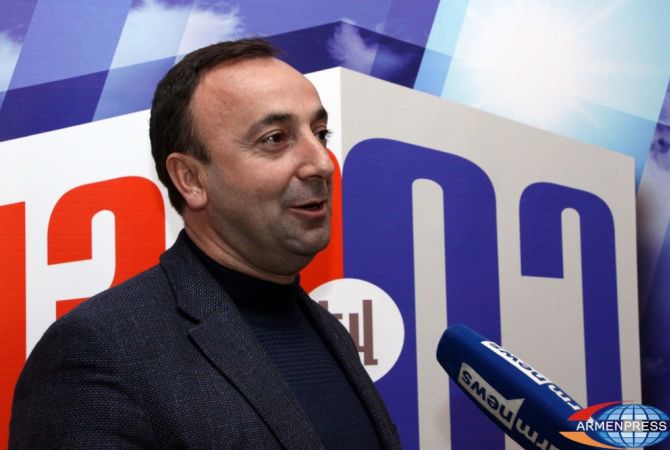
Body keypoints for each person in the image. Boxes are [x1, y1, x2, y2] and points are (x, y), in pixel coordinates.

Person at [9, 38, 401, 449]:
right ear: (191, 179)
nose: (321, 162)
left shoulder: (330, 333)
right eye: (275, 138)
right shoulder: (100, 351)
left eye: (320, 133)